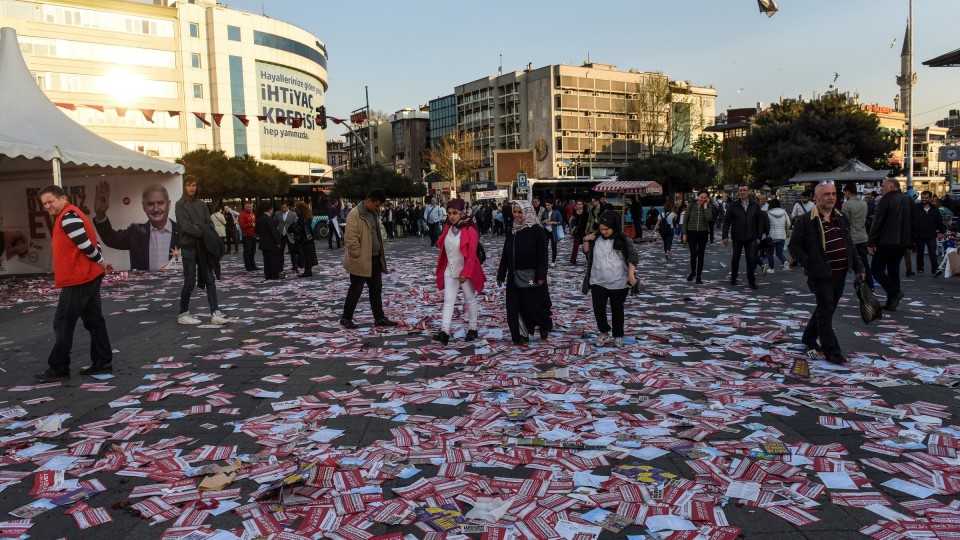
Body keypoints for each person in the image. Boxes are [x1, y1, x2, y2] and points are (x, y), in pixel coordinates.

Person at [35, 185, 113, 381]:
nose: (48, 206)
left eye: (50, 201)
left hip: (79, 279)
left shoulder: (68, 217)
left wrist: (100, 261)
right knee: (94, 321)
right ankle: (102, 362)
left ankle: (59, 367)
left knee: (63, 322)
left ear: (63, 198)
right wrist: (99, 260)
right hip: (86, 276)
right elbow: (94, 242)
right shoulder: (73, 214)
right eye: (44, 204)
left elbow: (86, 245)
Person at [789, 182, 865, 364]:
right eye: (826, 194)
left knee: (826, 308)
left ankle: (809, 337)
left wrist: (859, 268)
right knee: (825, 310)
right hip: (820, 275)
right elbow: (794, 246)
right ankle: (832, 351)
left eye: (833, 194)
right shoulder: (806, 220)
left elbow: (849, 244)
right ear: (816, 198)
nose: (831, 197)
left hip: (840, 273)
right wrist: (810, 264)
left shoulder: (841, 217)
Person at [175, 177, 230, 325]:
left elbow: (210, 224)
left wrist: (201, 229)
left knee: (210, 279)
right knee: (189, 281)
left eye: (194, 185)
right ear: (184, 187)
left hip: (203, 247)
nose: (192, 188)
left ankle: (215, 312)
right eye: (188, 185)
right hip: (188, 247)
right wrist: (202, 230)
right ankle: (183, 313)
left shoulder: (202, 204)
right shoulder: (180, 205)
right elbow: (185, 226)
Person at [581, 210, 638, 347]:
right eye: (601, 229)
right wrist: (586, 240)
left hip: (618, 282)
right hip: (597, 280)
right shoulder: (596, 238)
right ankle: (604, 332)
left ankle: (618, 335)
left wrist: (631, 275)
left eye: (607, 229)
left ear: (614, 227)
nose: (604, 232)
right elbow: (586, 252)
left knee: (617, 309)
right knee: (598, 309)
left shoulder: (624, 240)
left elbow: (633, 258)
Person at [340, 190, 397, 329]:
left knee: (376, 289)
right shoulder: (355, 214)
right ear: (370, 200)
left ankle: (379, 318)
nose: (378, 208)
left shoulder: (373, 213)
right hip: (360, 259)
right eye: (376, 205)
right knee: (356, 289)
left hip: (375, 257)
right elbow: (350, 238)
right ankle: (346, 318)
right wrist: (357, 254)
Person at [93, 182, 179, 271]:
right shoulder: (136, 232)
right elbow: (110, 238)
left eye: (160, 203)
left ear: (169, 204)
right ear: (144, 207)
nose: (156, 209)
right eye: (150, 204)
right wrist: (100, 214)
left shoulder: (183, 232)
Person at [433, 199, 485, 345]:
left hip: (466, 271)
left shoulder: (470, 229)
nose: (451, 216)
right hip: (450, 269)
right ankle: (444, 332)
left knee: (470, 299)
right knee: (448, 301)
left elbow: (472, 254)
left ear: (462, 213)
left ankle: (473, 328)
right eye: (449, 213)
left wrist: (466, 273)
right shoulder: (448, 227)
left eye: (455, 213)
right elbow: (441, 244)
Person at [497, 203, 550, 345]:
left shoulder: (537, 231)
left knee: (533, 305)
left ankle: (543, 325)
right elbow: (506, 253)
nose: (517, 215)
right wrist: (501, 273)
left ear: (527, 212)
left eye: (520, 212)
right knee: (514, 307)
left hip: (532, 278)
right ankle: (521, 335)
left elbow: (543, 255)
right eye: (515, 212)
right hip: (514, 276)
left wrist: (541, 275)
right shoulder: (512, 230)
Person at [868, 178, 911, 311]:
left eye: (883, 186)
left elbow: (878, 221)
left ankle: (894, 292)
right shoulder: (907, 199)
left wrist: (871, 241)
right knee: (893, 270)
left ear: (892, 187)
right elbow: (914, 220)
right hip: (902, 242)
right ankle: (892, 301)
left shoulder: (886, 199)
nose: (881, 188)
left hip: (887, 240)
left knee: (876, 269)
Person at [723, 185, 767, 289]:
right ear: (738, 192)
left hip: (751, 236)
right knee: (735, 258)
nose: (742, 192)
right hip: (737, 236)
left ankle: (751, 281)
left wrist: (759, 236)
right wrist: (725, 236)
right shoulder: (733, 205)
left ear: (748, 192)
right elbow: (727, 221)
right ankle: (733, 278)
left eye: (744, 190)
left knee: (751, 259)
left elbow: (760, 221)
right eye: (741, 190)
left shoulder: (755, 205)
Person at [841, 184, 873, 288]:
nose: (844, 194)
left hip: (852, 237)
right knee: (864, 262)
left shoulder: (846, 205)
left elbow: (844, 222)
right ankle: (869, 284)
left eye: (844, 192)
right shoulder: (864, 203)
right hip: (863, 236)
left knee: (854, 263)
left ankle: (860, 284)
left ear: (848, 192)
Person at [914, 190, 946, 275]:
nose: (924, 199)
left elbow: (939, 221)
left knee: (932, 253)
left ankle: (935, 269)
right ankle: (920, 267)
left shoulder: (935, 209)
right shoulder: (916, 208)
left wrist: (941, 232)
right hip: (919, 235)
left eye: (926, 198)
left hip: (931, 235)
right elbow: (912, 221)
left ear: (930, 198)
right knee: (920, 253)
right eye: (922, 198)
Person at [683, 191, 712, 283]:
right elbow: (685, 220)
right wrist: (684, 233)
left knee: (701, 255)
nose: (703, 199)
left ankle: (699, 276)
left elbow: (709, 219)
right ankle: (693, 272)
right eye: (701, 197)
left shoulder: (708, 207)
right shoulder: (691, 205)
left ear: (707, 198)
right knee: (693, 254)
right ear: (698, 197)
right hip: (691, 232)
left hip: (703, 233)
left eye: (705, 197)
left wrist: (705, 206)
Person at [256, 203, 282, 280]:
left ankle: (268, 275)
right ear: (270, 209)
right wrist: (278, 242)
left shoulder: (259, 218)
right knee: (273, 259)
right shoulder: (268, 219)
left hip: (263, 243)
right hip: (271, 243)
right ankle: (274, 275)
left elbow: (257, 231)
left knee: (266, 260)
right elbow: (273, 231)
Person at [292, 201, 318, 277]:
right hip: (308, 239)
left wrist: (295, 228)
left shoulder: (303, 218)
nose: (295, 210)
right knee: (307, 255)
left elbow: (302, 228)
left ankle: (307, 271)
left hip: (305, 239)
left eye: (297, 208)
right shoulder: (306, 216)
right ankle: (308, 271)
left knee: (306, 255)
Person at [765, 199, 790, 272]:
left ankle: (771, 268)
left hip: (771, 236)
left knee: (770, 253)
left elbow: (766, 224)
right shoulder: (784, 212)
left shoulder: (768, 213)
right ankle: (785, 262)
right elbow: (788, 223)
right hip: (782, 235)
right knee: (779, 253)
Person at [273, 203, 298, 273]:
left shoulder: (293, 214)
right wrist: (277, 229)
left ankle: (295, 266)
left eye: (284, 207)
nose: (283, 209)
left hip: (290, 235)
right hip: (281, 235)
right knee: (280, 252)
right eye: (282, 207)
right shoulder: (277, 214)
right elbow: (274, 222)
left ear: (287, 207)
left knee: (293, 252)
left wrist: (294, 231)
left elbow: (296, 223)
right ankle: (280, 267)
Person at [239, 201, 258, 271]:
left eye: (251, 207)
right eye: (248, 207)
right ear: (245, 207)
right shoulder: (242, 214)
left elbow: (254, 223)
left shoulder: (252, 213)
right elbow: (242, 225)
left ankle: (253, 265)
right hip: (246, 236)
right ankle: (248, 266)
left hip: (253, 235)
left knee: (253, 251)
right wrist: (251, 224)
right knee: (247, 252)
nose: (250, 208)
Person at [570, 200, 589, 265]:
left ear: (583, 205)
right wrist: (572, 229)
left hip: (584, 232)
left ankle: (589, 259)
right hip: (577, 232)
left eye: (580, 204)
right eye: (578, 204)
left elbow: (588, 222)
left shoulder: (586, 213)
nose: (579, 205)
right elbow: (572, 221)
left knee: (585, 248)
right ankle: (573, 260)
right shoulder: (574, 212)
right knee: (575, 246)